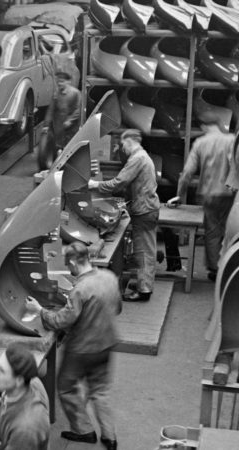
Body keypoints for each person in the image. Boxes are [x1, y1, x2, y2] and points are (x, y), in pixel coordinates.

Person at [25, 242, 122, 450]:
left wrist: (40, 310)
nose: (68, 270)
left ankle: (83, 430)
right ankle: (110, 437)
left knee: (66, 387)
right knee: (100, 391)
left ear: (72, 262)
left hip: (82, 350)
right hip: (106, 345)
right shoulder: (109, 278)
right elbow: (118, 308)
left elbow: (62, 321)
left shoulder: (80, 290)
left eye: (68, 266)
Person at [89, 129, 160, 301]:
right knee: (147, 249)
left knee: (143, 251)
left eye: (122, 144)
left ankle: (144, 290)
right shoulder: (143, 157)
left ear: (129, 142)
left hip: (144, 210)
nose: (121, 148)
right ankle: (145, 283)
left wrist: (94, 184)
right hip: (147, 208)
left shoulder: (137, 159)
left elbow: (118, 182)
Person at [167, 112, 236, 281]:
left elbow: (187, 173)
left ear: (205, 126)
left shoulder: (200, 143)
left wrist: (179, 195)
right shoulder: (232, 140)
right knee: (231, 231)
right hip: (231, 192)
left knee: (212, 232)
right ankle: (230, 267)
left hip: (209, 194)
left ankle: (215, 269)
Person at [47, 71, 81, 150]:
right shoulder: (56, 94)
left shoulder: (75, 93)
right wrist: (46, 125)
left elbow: (78, 109)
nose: (59, 84)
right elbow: (51, 110)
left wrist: (70, 121)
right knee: (59, 147)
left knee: (71, 147)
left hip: (72, 127)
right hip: (60, 126)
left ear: (68, 82)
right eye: (58, 82)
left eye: (62, 82)